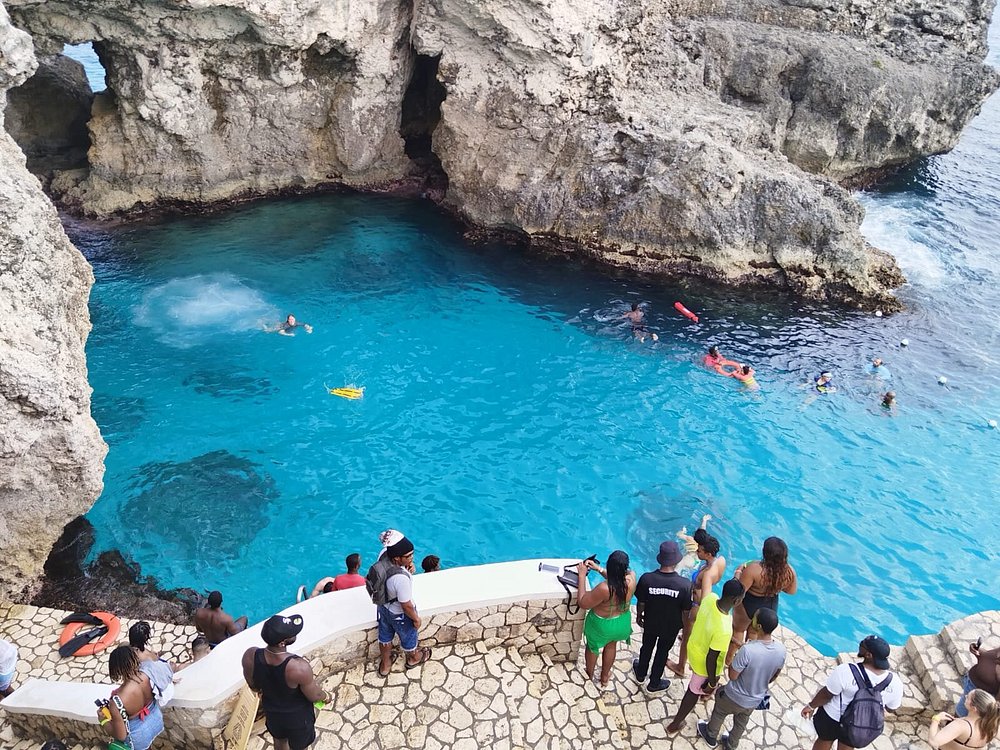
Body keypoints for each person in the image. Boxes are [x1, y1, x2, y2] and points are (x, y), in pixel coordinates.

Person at [698, 607, 786, 749]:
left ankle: (710, 735)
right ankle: (732, 744)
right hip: (755, 699)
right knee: (741, 721)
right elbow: (774, 675)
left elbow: (733, 676)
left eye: (755, 617)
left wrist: (736, 658)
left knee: (720, 712)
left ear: (759, 626)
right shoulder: (781, 650)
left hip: (734, 696)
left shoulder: (748, 650)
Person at [666, 579, 746, 735]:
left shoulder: (710, 598)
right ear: (736, 600)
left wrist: (733, 640)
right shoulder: (724, 628)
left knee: (700, 688)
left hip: (694, 648)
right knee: (693, 691)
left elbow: (708, 624)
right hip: (704, 664)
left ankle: (704, 693)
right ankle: (675, 724)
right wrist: (711, 680)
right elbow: (712, 657)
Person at [801, 635, 904, 750]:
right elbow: (891, 708)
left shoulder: (846, 670)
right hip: (858, 723)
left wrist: (811, 706)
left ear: (868, 655)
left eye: (863, 644)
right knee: (847, 747)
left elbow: (827, 695)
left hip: (832, 717)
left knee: (824, 740)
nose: (860, 644)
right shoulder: (895, 683)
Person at [241, 614, 328, 750]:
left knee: (279, 741)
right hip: (298, 718)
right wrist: (326, 697)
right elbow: (314, 696)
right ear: (282, 643)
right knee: (300, 746)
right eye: (291, 633)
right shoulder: (299, 667)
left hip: (272, 712)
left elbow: (254, 686)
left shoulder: (250, 655)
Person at [633, 541, 692, 693]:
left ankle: (640, 673)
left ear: (660, 558)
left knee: (646, 647)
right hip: (671, 627)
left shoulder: (647, 579)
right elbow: (686, 611)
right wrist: (685, 628)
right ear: (677, 560)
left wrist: (639, 615)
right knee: (662, 652)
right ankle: (654, 683)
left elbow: (641, 602)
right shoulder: (684, 585)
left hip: (651, 622)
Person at [728, 537, 797, 665]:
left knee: (738, 630)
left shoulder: (754, 569)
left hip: (748, 604)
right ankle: (746, 661)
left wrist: (738, 572)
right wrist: (775, 587)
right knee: (754, 633)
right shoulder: (789, 572)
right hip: (769, 606)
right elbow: (791, 591)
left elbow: (739, 590)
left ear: (765, 553)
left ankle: (729, 660)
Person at [669, 534, 726, 678]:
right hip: (697, 600)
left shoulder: (707, 575)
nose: (697, 552)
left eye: (699, 551)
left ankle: (680, 666)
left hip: (696, 606)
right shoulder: (720, 560)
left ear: (708, 554)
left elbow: (706, 600)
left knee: (687, 637)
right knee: (687, 633)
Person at [577, 550, 637, 688]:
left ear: (610, 566)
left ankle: (589, 674)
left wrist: (581, 576)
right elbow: (617, 581)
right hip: (621, 622)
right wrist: (598, 569)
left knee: (593, 648)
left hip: (602, 625)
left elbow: (583, 603)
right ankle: (604, 677)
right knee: (611, 645)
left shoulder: (604, 588)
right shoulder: (631, 578)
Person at [373, 536, 432, 676]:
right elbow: (406, 605)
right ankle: (413, 658)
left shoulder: (383, 554)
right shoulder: (401, 579)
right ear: (397, 558)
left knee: (385, 636)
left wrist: (406, 565)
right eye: (408, 556)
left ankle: (385, 666)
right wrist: (416, 619)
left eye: (412, 554)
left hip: (383, 607)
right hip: (400, 614)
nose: (412, 557)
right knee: (409, 636)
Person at [97, 646, 164, 750]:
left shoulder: (117, 701)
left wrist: (103, 721)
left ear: (116, 669)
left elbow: (121, 736)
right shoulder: (147, 674)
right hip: (155, 720)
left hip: (139, 736)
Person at [929, 689, 1000, 749]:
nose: (965, 696)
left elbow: (933, 742)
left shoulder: (961, 726)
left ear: (974, 708)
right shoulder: (992, 726)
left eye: (968, 697)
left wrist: (936, 718)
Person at [956, 638, 1000, 716]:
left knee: (960, 716)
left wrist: (992, 712)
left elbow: (997, 703)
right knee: (958, 712)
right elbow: (990, 657)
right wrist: (978, 650)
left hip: (978, 698)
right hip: (971, 685)